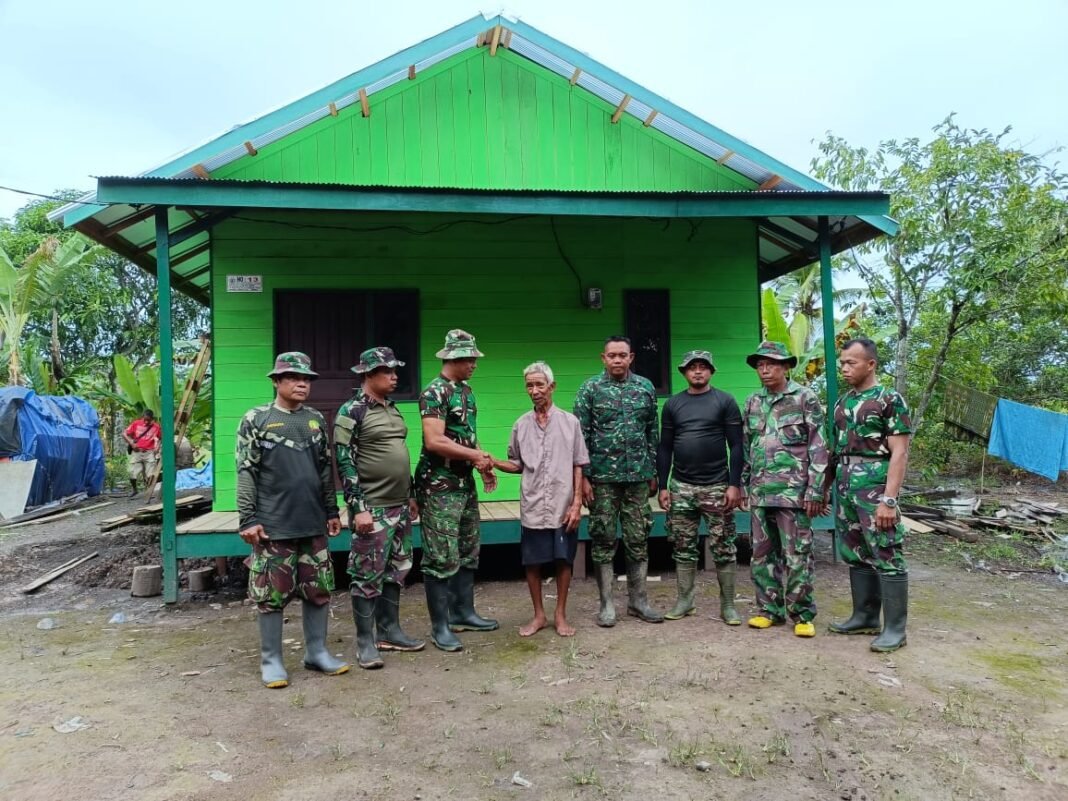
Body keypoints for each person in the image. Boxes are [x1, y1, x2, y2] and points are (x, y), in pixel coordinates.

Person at [236, 352, 348, 688]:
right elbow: (246, 470)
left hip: (312, 523)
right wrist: (248, 518)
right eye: (293, 378)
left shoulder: (314, 419)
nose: (302, 383)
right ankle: (271, 661)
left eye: (307, 379)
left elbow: (325, 470)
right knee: (271, 594)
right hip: (273, 525)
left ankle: (317, 652)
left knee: (319, 590)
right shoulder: (256, 419)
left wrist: (331, 510)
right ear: (276, 381)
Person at [335, 347, 425, 670]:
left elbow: (401, 454)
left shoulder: (393, 409)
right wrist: (357, 508)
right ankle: (365, 642)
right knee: (366, 574)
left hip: (399, 506)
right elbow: (344, 462)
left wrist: (411, 494)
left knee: (397, 569)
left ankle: (390, 632)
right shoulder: (352, 411)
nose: (394, 375)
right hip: (372, 508)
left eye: (394, 370)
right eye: (387, 371)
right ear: (368, 375)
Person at [825, 337, 913, 652]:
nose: (844, 368)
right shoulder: (842, 402)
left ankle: (894, 629)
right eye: (843, 362)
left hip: (875, 484)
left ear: (871, 364)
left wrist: (890, 499)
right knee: (855, 552)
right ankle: (864, 616)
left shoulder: (889, 399)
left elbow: (900, 453)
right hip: (846, 485)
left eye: (852, 362)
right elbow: (835, 450)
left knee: (886, 552)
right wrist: (825, 488)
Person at [413, 329, 498, 652]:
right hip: (439, 486)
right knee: (440, 556)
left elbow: (466, 436)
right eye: (470, 359)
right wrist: (475, 456)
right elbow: (434, 441)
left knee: (467, 548)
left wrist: (482, 464)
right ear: (454, 358)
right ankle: (440, 626)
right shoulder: (434, 393)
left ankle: (463, 612)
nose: (474, 363)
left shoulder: (466, 392)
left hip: (463, 483)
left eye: (474, 358)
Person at [493, 361, 589, 637]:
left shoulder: (570, 423)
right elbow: (517, 463)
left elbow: (578, 464)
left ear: (552, 386)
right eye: (529, 385)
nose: (535, 390)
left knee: (563, 560)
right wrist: (494, 462)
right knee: (532, 562)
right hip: (534, 505)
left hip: (562, 504)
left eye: (539, 384)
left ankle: (560, 615)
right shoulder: (521, 425)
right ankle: (538, 615)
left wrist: (576, 504)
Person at [573, 335, 662, 627]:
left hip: (637, 477)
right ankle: (607, 604)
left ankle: (638, 600)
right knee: (603, 538)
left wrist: (653, 472)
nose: (617, 360)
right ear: (603, 358)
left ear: (631, 357)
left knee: (638, 538)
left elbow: (652, 432)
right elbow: (580, 438)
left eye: (622, 355)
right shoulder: (590, 389)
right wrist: (584, 478)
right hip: (602, 480)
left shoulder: (645, 388)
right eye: (612, 355)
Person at [741, 341, 828, 638]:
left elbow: (818, 446)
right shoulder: (752, 401)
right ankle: (769, 610)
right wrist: (744, 484)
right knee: (762, 555)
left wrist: (816, 491)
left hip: (794, 494)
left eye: (772, 364)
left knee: (797, 555)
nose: (765, 370)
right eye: (760, 365)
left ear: (786, 366)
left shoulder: (805, 398)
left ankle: (802, 614)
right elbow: (747, 446)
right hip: (761, 492)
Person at [656, 350, 744, 625]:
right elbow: (665, 447)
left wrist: (734, 485)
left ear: (711, 372)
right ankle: (685, 601)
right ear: (684, 372)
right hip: (681, 486)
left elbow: (737, 445)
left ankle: (728, 605)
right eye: (692, 367)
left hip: (717, 486)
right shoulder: (673, 405)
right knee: (683, 546)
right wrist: (663, 486)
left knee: (724, 546)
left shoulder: (725, 401)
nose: (697, 371)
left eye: (703, 367)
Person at [123, 409, 161, 495]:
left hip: (149, 452)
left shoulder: (156, 427)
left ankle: (149, 491)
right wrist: (132, 443)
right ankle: (134, 490)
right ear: (142, 417)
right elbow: (124, 434)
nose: (146, 422)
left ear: (152, 419)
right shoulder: (136, 423)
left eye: (148, 420)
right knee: (132, 472)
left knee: (150, 474)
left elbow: (160, 438)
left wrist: (157, 447)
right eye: (145, 419)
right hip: (137, 452)